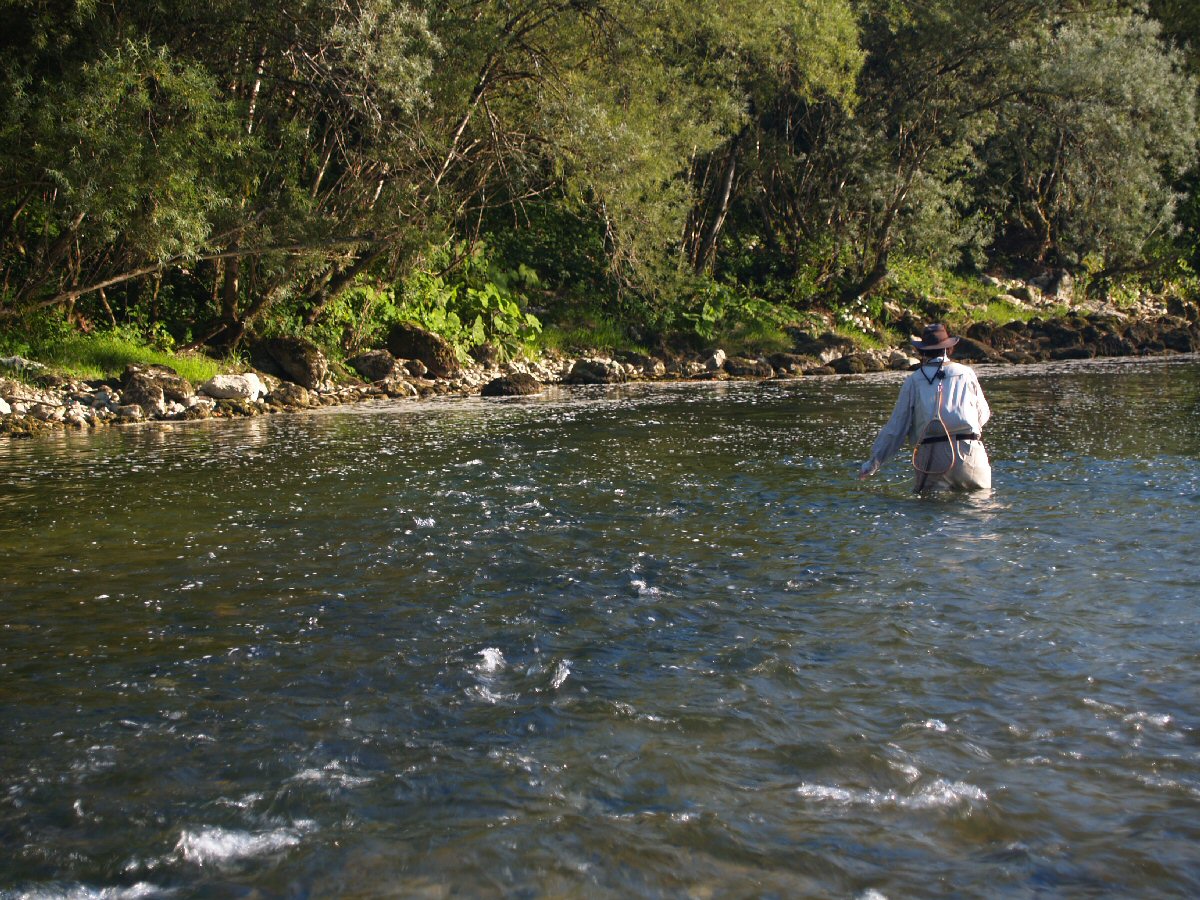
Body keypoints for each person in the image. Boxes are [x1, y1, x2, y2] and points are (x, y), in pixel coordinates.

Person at [859, 323, 992, 492]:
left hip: (932, 456)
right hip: (971, 451)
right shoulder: (967, 373)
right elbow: (983, 413)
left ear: (922, 352)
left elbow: (896, 428)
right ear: (948, 349)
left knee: (931, 511)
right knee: (978, 511)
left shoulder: (914, 381)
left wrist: (873, 463)